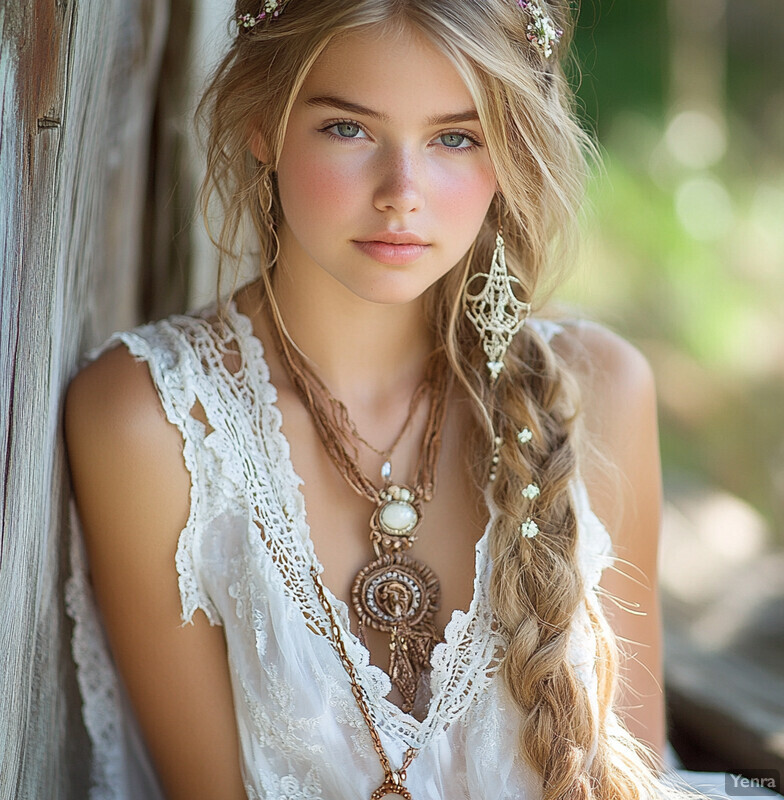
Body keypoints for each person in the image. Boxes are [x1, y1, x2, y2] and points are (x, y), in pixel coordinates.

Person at [63, 2, 772, 799]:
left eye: (455, 138)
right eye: (348, 129)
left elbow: (632, 767)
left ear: (508, 151)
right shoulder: (153, 420)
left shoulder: (598, 390)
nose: (402, 193)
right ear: (263, 124)